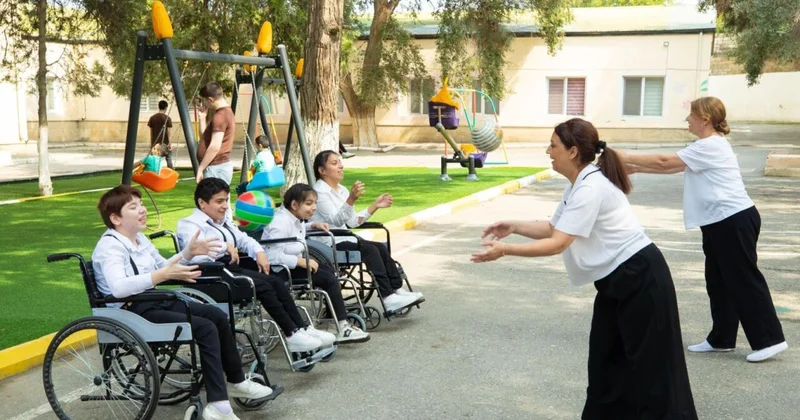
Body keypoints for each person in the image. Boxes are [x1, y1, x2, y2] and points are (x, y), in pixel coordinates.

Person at [472, 118, 697, 420]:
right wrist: (514, 226)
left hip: (641, 279)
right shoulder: (580, 184)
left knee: (654, 372)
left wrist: (506, 250)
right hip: (616, 283)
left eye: (553, 146)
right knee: (607, 364)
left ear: (573, 151)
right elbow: (555, 228)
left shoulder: (591, 187)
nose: (548, 151)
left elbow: (558, 243)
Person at [619, 96, 788, 363]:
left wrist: (622, 155)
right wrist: (630, 167)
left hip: (733, 219)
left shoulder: (711, 145)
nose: (687, 119)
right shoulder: (705, 146)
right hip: (720, 222)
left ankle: (770, 340)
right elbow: (672, 167)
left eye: (691, 115)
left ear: (705, 119)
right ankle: (721, 338)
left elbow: (665, 161)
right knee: (718, 281)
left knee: (743, 279)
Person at [92, 185, 272, 420]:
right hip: (131, 311)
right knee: (205, 328)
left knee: (217, 315)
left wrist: (187, 253)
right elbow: (118, 288)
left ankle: (236, 381)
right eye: (133, 207)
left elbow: (161, 266)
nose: (143, 210)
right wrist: (163, 276)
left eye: (142, 205)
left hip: (151, 301)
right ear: (115, 218)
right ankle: (218, 404)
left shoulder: (139, 239)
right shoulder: (110, 246)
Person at [177, 178, 336, 352]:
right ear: (202, 202)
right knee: (262, 285)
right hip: (208, 275)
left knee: (273, 281)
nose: (224, 206)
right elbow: (195, 251)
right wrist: (225, 246)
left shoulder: (223, 222)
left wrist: (259, 252)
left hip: (229, 269)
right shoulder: (189, 224)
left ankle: (301, 328)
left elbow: (245, 239)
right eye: (219, 201)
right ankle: (292, 333)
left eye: (226, 200)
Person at [311, 150, 423, 313]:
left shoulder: (341, 190)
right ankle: (387, 297)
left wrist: (374, 206)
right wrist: (351, 199)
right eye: (334, 163)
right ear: (322, 170)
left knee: (380, 247)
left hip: (344, 237)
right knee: (370, 250)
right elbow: (335, 221)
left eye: (340, 162)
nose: (340, 166)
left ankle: (396, 290)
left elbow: (351, 222)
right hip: (327, 242)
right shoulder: (319, 192)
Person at [262, 183, 370, 343]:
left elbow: (295, 230)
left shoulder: (294, 218)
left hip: (292, 266)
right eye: (309, 203)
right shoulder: (279, 223)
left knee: (328, 272)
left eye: (315, 203)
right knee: (328, 278)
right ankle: (342, 325)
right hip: (280, 270)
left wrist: (312, 224)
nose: (314, 208)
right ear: (294, 204)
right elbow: (271, 256)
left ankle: (340, 320)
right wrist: (300, 261)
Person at [196, 82, 235, 186]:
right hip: (216, 167)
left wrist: (200, 168)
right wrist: (202, 118)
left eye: (204, 100)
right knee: (214, 201)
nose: (203, 104)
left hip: (216, 168)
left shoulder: (220, 116)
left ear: (210, 100)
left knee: (214, 201)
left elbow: (215, 146)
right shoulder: (225, 112)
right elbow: (205, 138)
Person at [147, 100, 174, 169]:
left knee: (155, 161)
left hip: (155, 144)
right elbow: (168, 132)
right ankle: (171, 174)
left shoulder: (152, 118)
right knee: (169, 159)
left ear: (158, 107)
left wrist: (151, 144)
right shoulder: (167, 118)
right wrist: (170, 143)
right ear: (166, 108)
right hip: (165, 143)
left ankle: (155, 174)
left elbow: (151, 132)